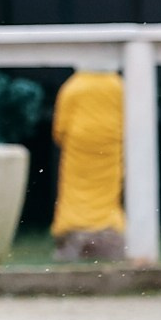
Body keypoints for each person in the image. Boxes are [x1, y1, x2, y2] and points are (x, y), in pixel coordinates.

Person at [49, 69, 126, 261]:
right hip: (111, 143)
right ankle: (106, 231)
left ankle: (74, 233)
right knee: (108, 188)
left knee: (75, 187)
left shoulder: (73, 86)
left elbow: (59, 129)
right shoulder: (118, 86)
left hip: (78, 144)